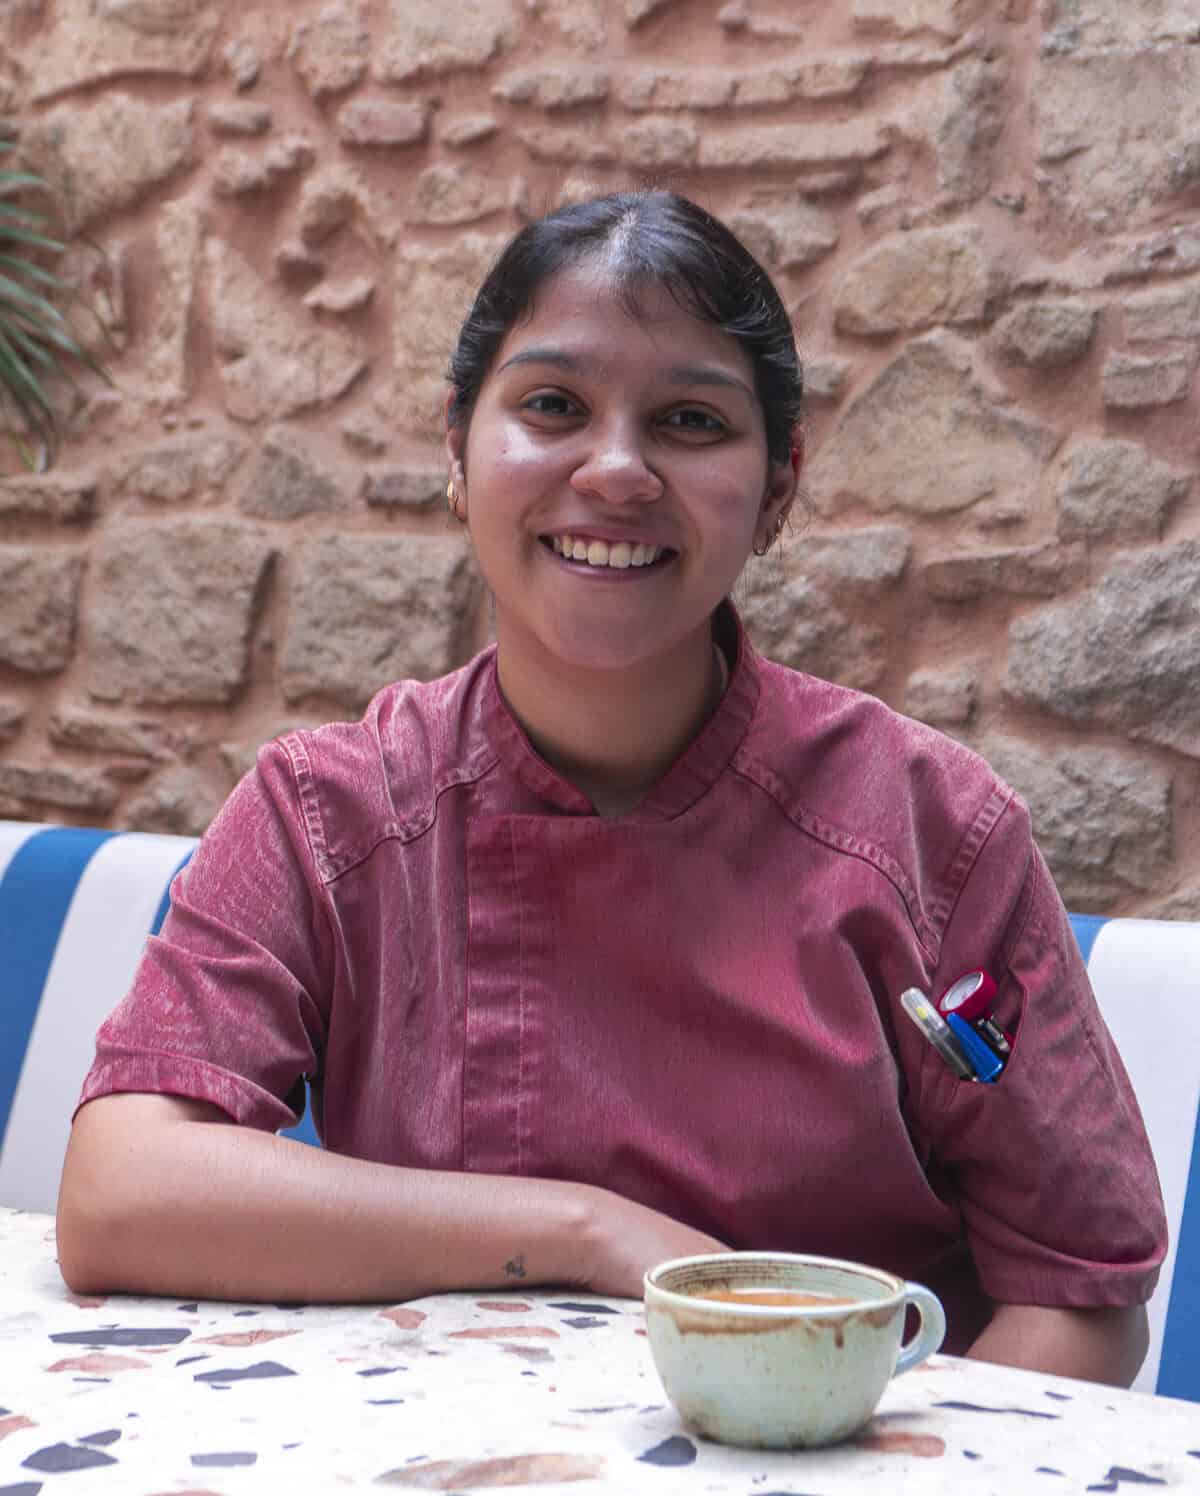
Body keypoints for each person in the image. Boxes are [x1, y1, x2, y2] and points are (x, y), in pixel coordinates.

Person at [58, 190, 1165, 1387]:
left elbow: (1079, 1295)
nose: (618, 469)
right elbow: (123, 1185)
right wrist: (595, 1234)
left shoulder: (934, 832)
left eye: (691, 420)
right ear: (456, 445)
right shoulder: (332, 813)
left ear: (780, 481)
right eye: (552, 406)